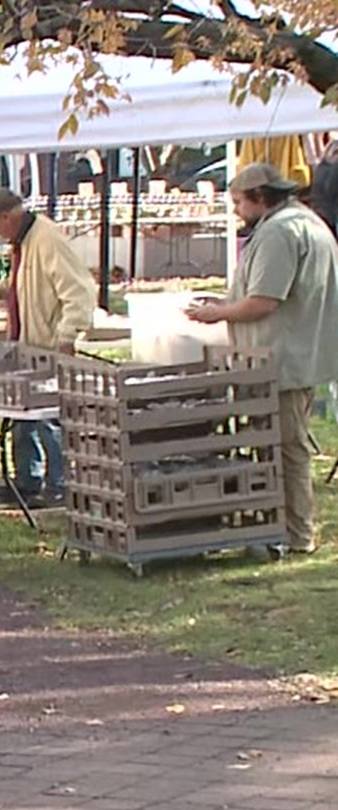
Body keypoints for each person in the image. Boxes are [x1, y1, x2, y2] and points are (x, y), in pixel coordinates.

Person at [188, 163, 338, 555]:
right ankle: (281, 528)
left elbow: (264, 301)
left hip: (281, 359)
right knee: (282, 445)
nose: (236, 210)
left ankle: (295, 534)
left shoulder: (280, 231)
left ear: (260, 198)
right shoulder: (304, 221)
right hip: (292, 355)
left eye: (239, 201)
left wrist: (217, 313)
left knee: (287, 449)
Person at [0, 187, 96, 503]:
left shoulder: (47, 239)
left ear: (5, 217)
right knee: (23, 415)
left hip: (48, 346)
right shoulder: (24, 242)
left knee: (48, 417)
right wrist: (6, 289)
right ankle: (27, 481)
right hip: (26, 344)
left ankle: (59, 485)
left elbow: (79, 292)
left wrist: (68, 336)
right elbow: (32, 278)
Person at [311, 141, 338, 232]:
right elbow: (330, 189)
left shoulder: (320, 167)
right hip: (331, 214)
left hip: (322, 213)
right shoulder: (334, 168)